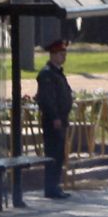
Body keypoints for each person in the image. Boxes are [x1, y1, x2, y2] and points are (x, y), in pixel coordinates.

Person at [35, 38, 74, 200]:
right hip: (53, 121)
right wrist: (55, 117)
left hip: (61, 119)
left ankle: (55, 186)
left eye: (64, 53)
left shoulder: (57, 73)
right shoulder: (47, 74)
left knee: (59, 155)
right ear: (52, 55)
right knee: (53, 154)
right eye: (60, 54)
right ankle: (50, 188)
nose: (63, 56)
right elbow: (47, 99)